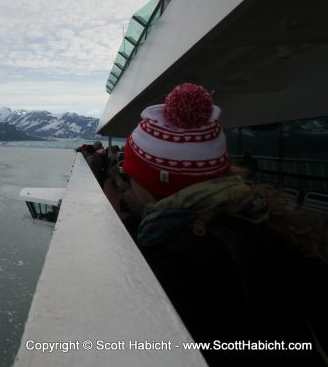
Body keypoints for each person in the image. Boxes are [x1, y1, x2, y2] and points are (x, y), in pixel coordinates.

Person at [106, 83, 328, 367]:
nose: (125, 186)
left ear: (156, 184)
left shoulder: (186, 263)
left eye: (129, 175)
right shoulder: (259, 218)